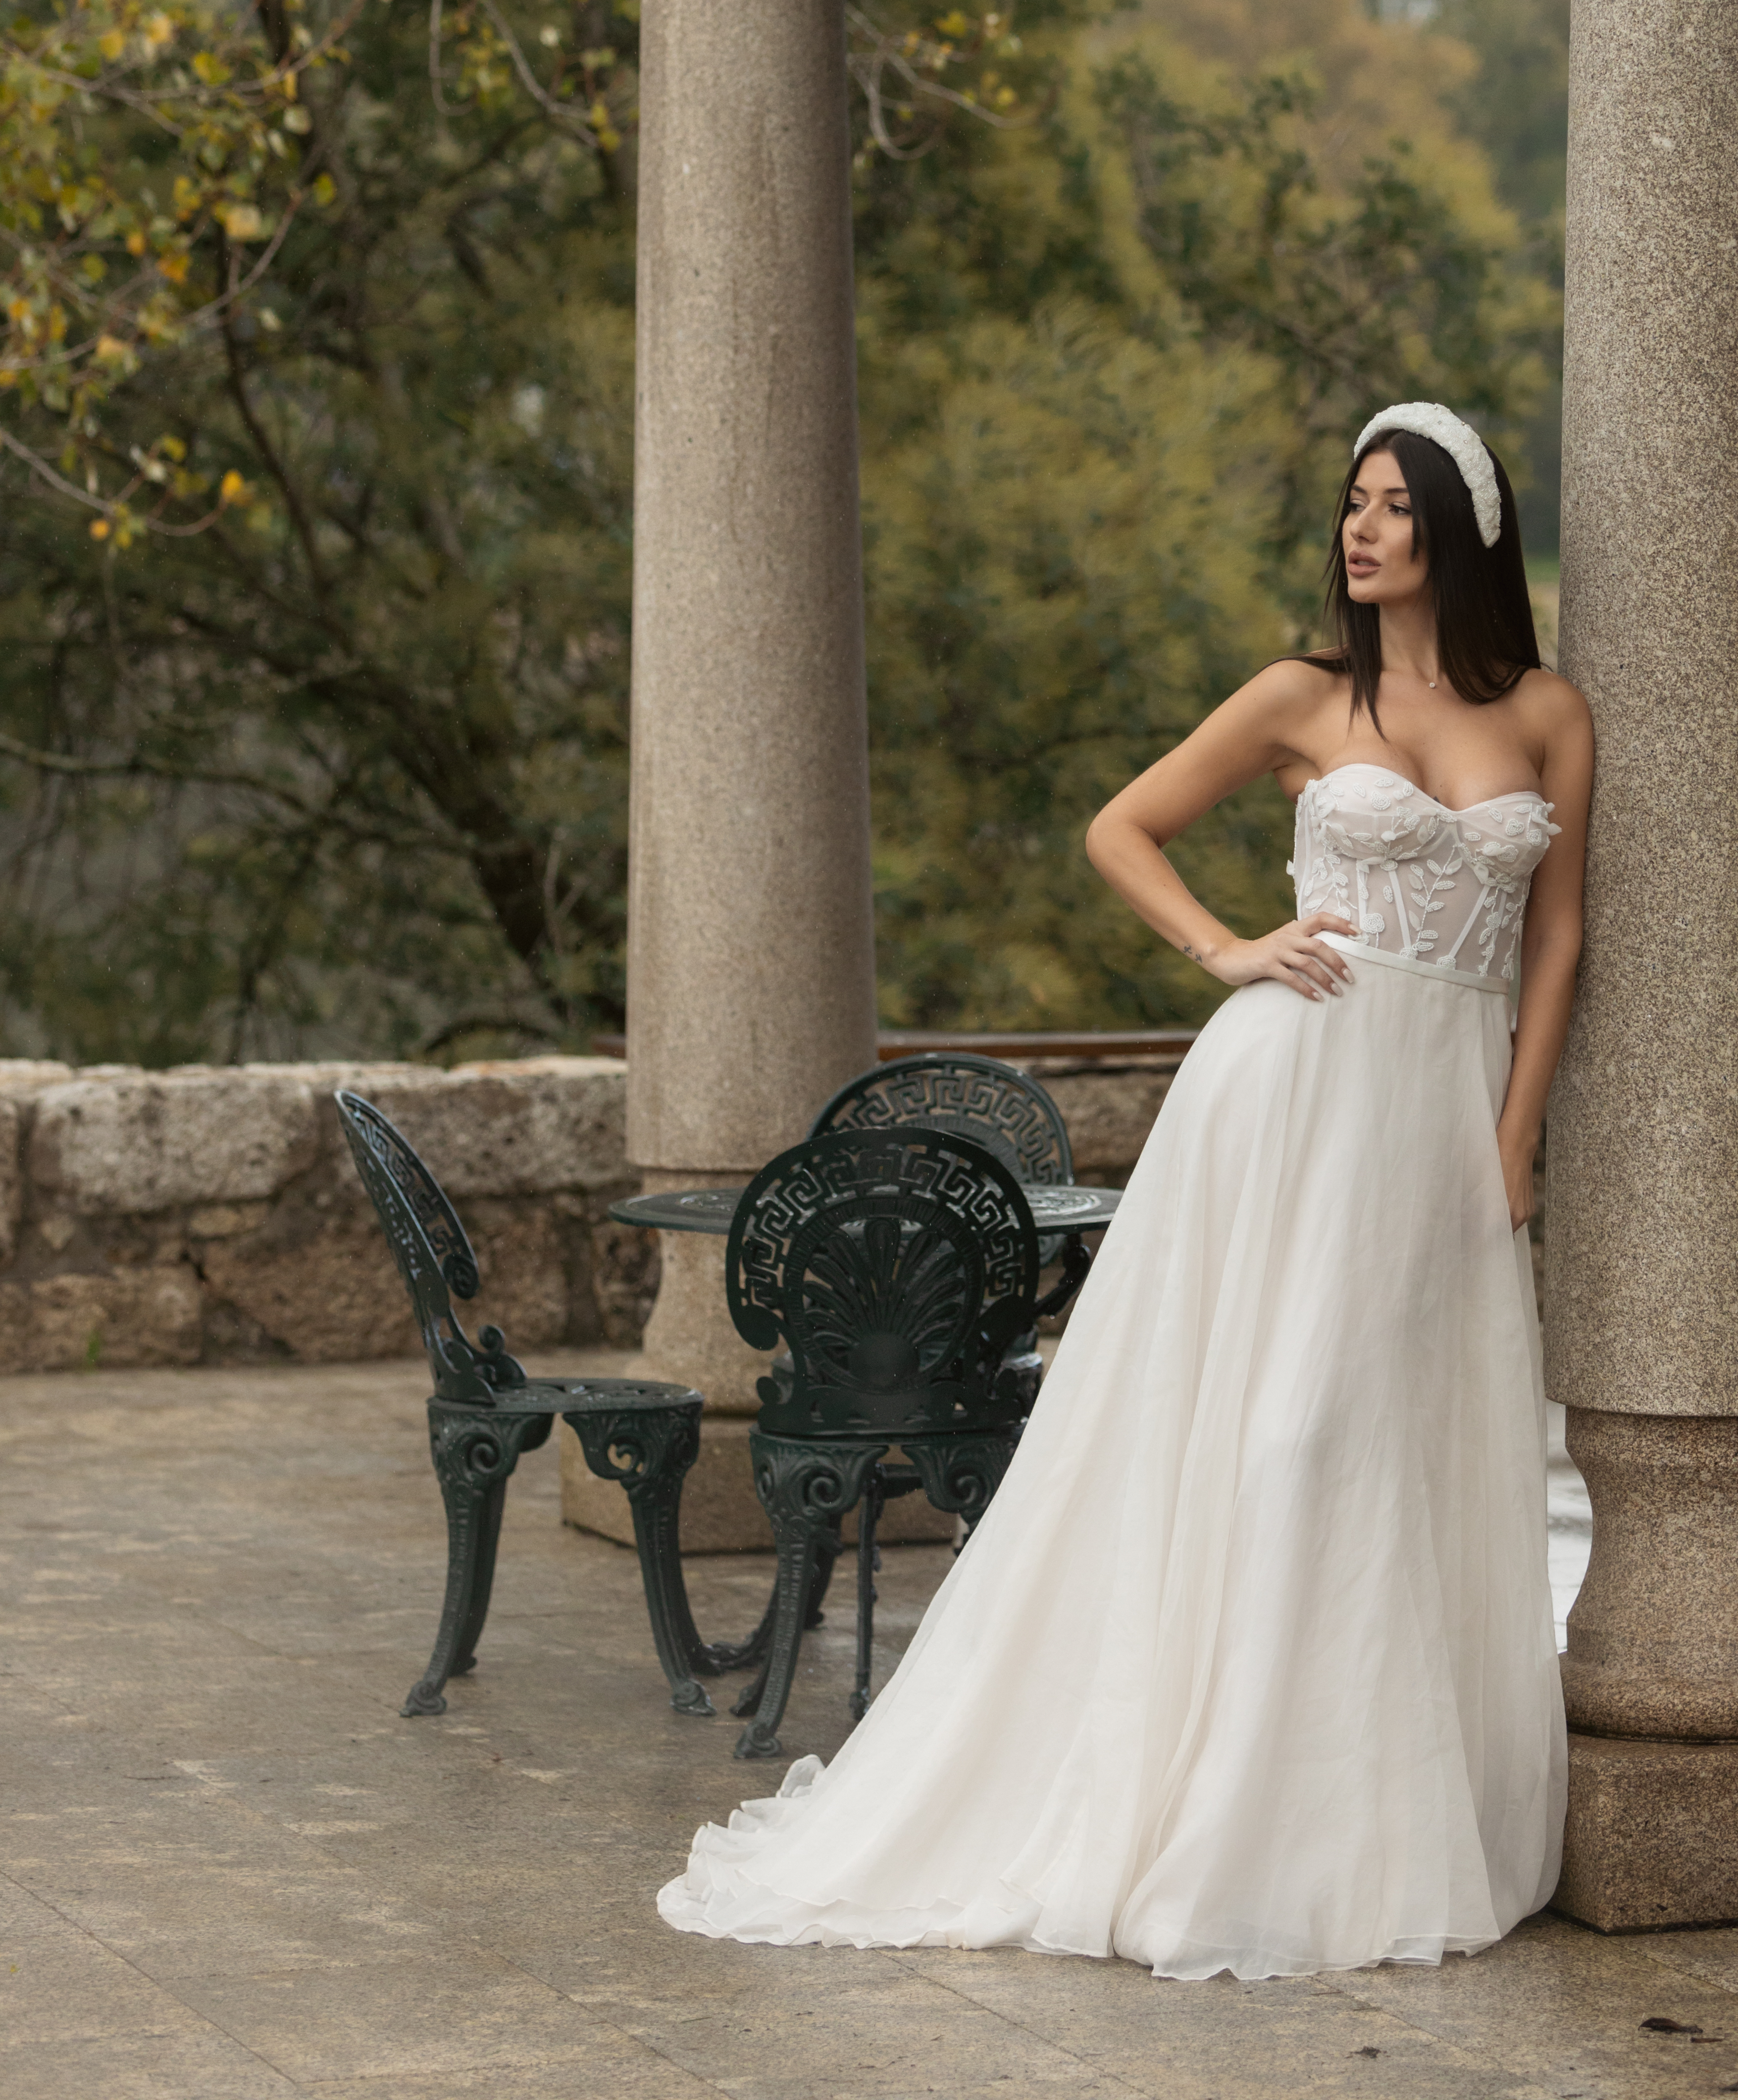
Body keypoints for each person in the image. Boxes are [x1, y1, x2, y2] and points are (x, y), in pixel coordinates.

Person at [659, 400, 1593, 1983]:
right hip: (1286, 1095)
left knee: (1402, 1443)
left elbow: (1559, 942)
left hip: (1439, 1119)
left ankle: (1377, 1824)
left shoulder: (1553, 714)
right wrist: (1228, 951)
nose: (1361, 532)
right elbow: (1123, 826)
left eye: (1395, 509)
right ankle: (1229, 1818)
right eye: (1353, 506)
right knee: (1282, 1437)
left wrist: (1515, 1137)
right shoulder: (1304, 693)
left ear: (1464, 532)